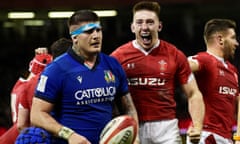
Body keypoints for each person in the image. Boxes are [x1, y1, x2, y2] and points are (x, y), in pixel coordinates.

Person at [30, 10, 139, 144]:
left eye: (98, 30)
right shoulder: (56, 69)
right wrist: (69, 135)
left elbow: (128, 107)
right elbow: (37, 115)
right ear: (74, 37)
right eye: (89, 32)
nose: (96, 36)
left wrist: (135, 135)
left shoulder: (112, 65)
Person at [110, 1, 205, 144]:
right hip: (133, 126)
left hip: (166, 127)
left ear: (159, 26)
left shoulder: (175, 55)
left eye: (150, 22)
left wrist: (197, 126)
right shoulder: (117, 57)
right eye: (139, 22)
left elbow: (194, 94)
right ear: (132, 27)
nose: (144, 27)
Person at [187, 19, 239, 144]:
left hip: (226, 137)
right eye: (233, 38)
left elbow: (238, 103)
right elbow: (183, 65)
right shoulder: (205, 60)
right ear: (220, 39)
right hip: (205, 135)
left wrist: (238, 138)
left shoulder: (232, 70)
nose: (236, 43)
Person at [0, 48, 52, 144]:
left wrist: (40, 57)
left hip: (13, 133)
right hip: (26, 136)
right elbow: (22, 124)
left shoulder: (19, 84)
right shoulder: (33, 86)